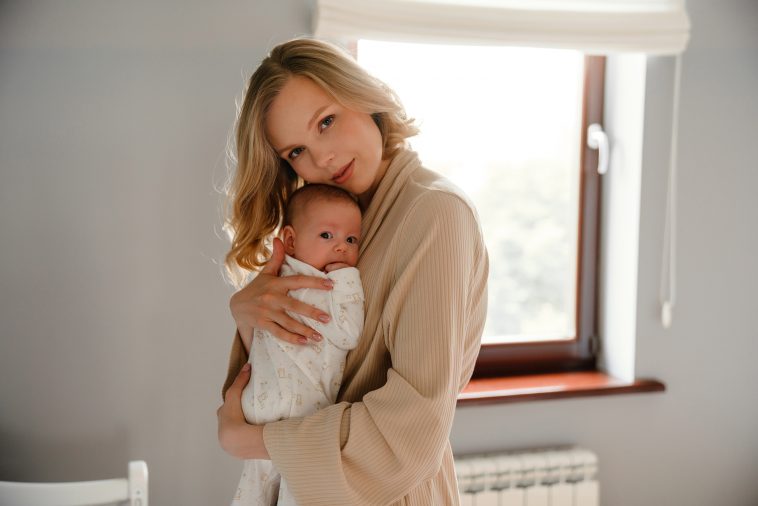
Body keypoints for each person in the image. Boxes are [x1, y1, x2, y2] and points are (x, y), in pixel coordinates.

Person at [217, 38, 488, 505]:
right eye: (295, 152)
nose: (319, 158)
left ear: (363, 96)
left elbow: (412, 426)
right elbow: (291, 378)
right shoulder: (324, 228)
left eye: (326, 122)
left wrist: (257, 443)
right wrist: (247, 313)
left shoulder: (435, 213)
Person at [232, 183, 365, 506]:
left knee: (298, 493)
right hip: (266, 407)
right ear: (290, 240)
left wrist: (348, 279)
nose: (340, 248)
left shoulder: (337, 288)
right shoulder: (274, 281)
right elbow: (258, 335)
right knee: (252, 494)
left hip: (303, 425)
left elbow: (349, 335)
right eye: (326, 236)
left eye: (351, 239)